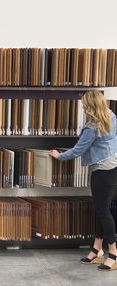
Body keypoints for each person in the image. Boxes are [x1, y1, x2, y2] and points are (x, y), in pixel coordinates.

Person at [49, 90, 117, 271]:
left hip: (102, 171)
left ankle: (113, 254)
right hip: (113, 167)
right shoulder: (111, 116)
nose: (82, 107)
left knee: (103, 212)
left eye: (84, 104)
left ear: (91, 106)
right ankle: (97, 250)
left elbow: (77, 150)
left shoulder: (92, 127)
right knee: (101, 209)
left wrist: (59, 156)